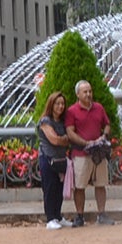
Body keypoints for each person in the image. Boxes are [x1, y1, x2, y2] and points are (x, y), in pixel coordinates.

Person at [64, 80, 114, 226]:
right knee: (80, 186)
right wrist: (85, 143)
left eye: (90, 91)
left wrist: (103, 136)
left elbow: (107, 124)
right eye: (85, 92)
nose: (88, 94)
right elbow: (70, 132)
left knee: (101, 184)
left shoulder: (98, 108)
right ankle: (80, 215)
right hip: (81, 154)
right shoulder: (72, 111)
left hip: (98, 153)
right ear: (78, 94)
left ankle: (102, 214)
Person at [37, 91, 72, 229]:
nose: (60, 106)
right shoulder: (46, 121)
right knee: (50, 188)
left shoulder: (63, 122)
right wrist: (64, 140)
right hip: (47, 159)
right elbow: (54, 139)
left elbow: (64, 139)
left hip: (60, 160)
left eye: (62, 103)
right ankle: (50, 218)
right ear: (51, 105)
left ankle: (58, 216)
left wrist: (63, 140)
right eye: (57, 103)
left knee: (59, 189)